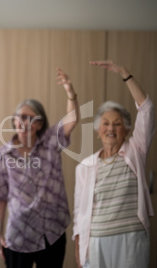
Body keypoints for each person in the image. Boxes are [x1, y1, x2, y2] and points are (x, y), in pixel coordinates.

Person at [0, 68, 79, 268]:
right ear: (14, 120)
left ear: (40, 125)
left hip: (52, 230)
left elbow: (72, 120)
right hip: (18, 232)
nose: (26, 123)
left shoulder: (51, 141)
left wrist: (70, 92)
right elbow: (1, 197)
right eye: (22, 117)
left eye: (33, 119)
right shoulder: (4, 154)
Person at [73, 60, 154, 268]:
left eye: (117, 124)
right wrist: (78, 248)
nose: (111, 128)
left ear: (126, 130)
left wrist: (125, 73)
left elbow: (146, 109)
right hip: (96, 239)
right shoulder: (84, 167)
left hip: (130, 237)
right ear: (98, 132)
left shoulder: (135, 151)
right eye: (106, 123)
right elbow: (79, 213)